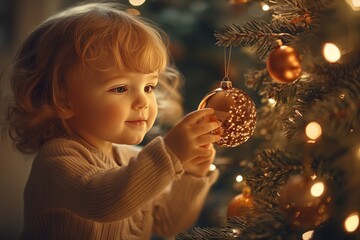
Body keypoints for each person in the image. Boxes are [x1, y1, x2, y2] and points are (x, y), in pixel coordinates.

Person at [4, 2, 222, 240]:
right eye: (120, 88)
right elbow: (104, 202)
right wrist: (169, 155)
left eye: (149, 86)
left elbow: (168, 224)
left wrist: (191, 175)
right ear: (64, 100)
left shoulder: (133, 158)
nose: (143, 102)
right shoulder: (57, 161)